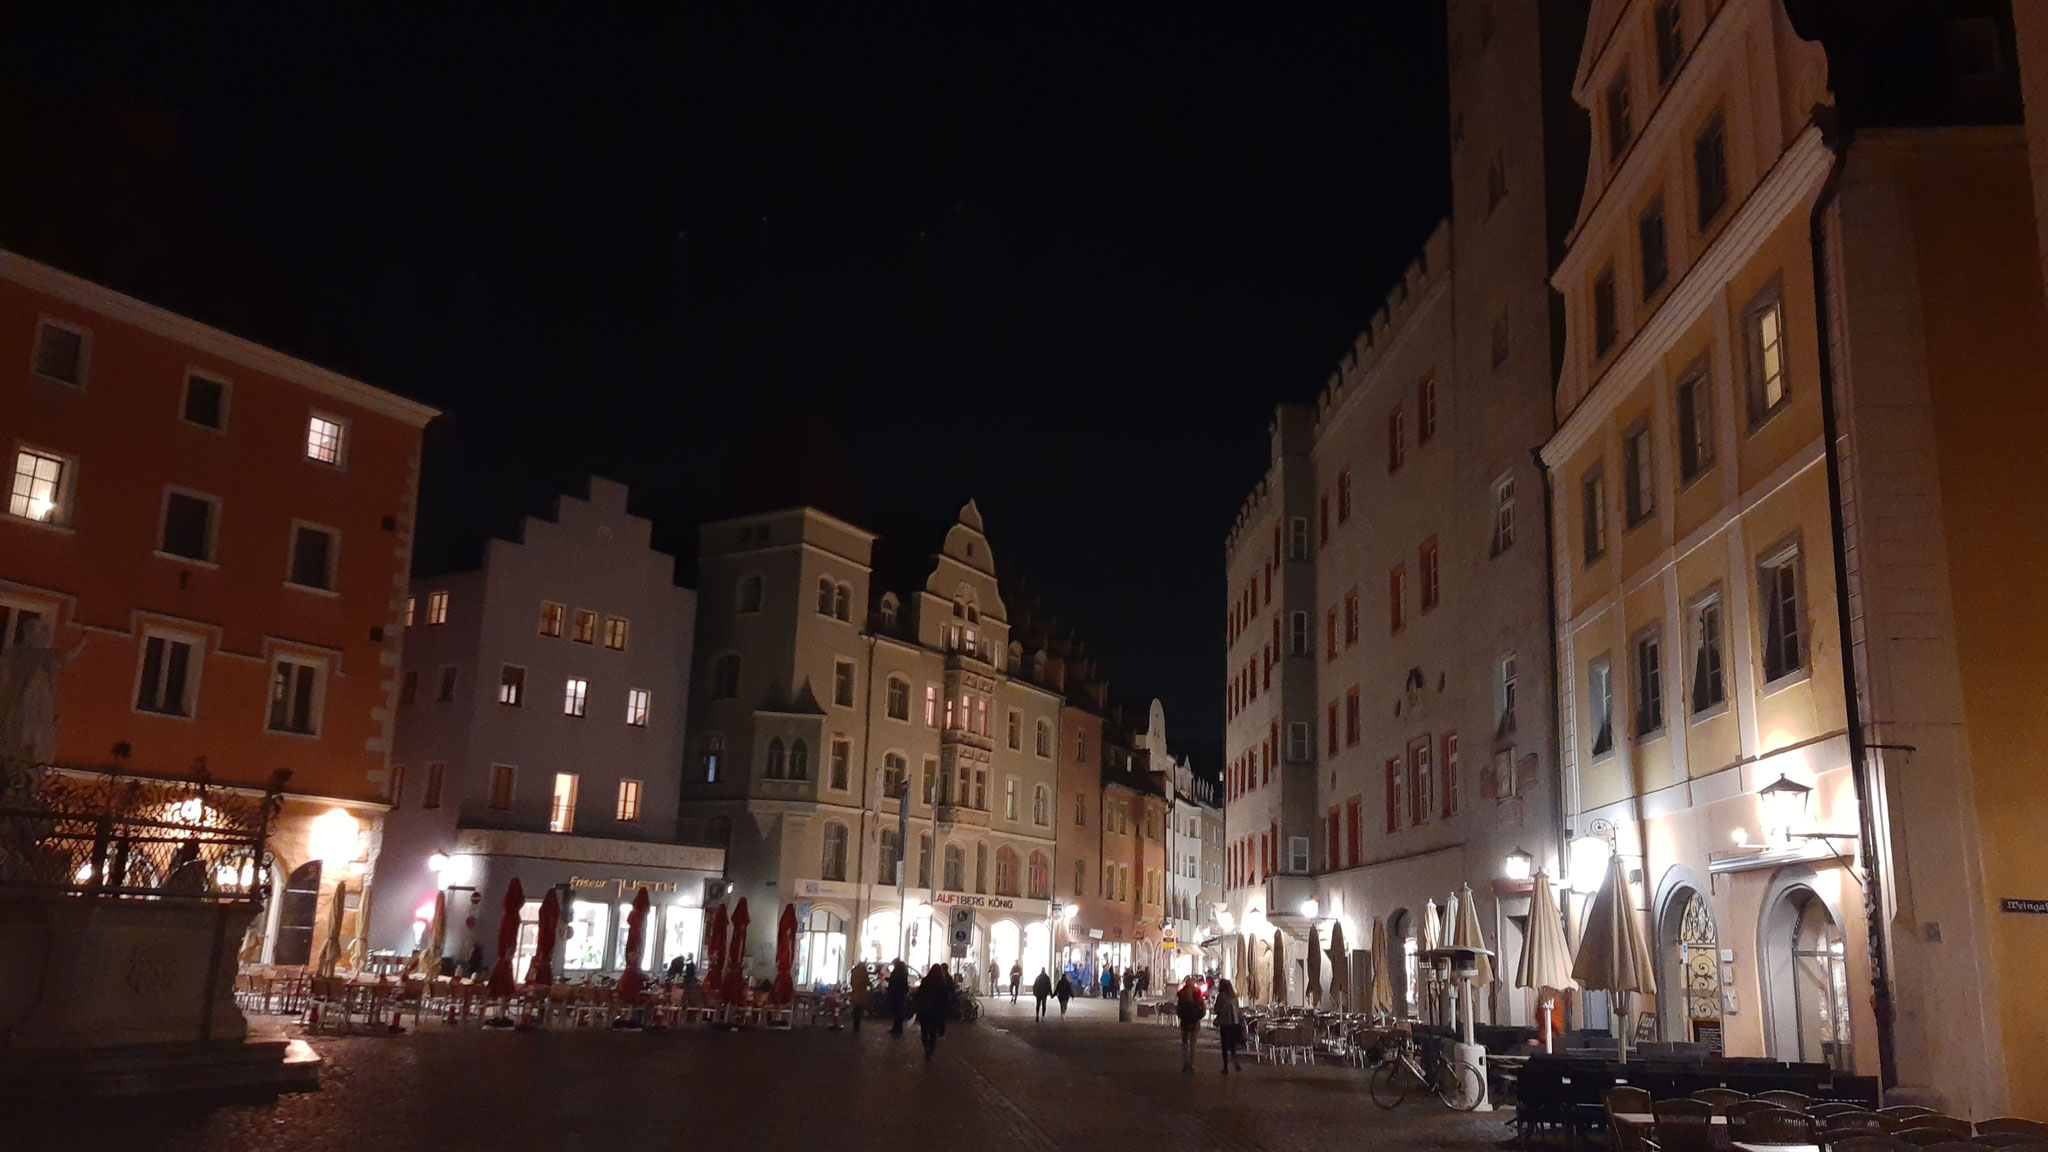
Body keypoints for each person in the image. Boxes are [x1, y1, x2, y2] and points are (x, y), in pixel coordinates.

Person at [913, 963, 954, 1061]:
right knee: (933, 1032)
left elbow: (920, 994)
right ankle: (930, 1050)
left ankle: (926, 1045)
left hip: (925, 1010)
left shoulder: (925, 981)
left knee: (924, 1030)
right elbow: (945, 998)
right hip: (936, 1011)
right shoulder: (942, 983)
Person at [1213, 978, 1244, 1073]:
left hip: (1225, 1023)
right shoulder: (1234, 997)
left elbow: (1216, 1009)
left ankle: (1225, 1067)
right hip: (1234, 1023)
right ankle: (1235, 1060)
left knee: (1225, 1045)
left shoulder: (1221, 996)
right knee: (1232, 1044)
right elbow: (1237, 1009)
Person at [1175, 976, 1205, 1073]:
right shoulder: (1197, 994)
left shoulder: (1181, 995)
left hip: (1184, 1023)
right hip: (1194, 1023)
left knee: (1184, 1044)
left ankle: (1185, 1064)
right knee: (1192, 1044)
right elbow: (1203, 1010)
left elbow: (1178, 1010)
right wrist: (1198, 1017)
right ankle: (1191, 1064)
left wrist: (1182, 1017)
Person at [886, 959, 911, 1036]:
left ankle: (897, 1029)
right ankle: (897, 1029)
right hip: (900, 995)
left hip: (896, 994)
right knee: (898, 1012)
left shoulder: (898, 971)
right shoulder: (902, 971)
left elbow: (895, 982)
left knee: (897, 1012)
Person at [848, 961, 871, 1031]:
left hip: (855, 993)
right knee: (859, 1011)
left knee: (855, 1010)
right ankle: (857, 1026)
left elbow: (851, 982)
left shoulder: (854, 971)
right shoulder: (864, 973)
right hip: (861, 994)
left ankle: (855, 1025)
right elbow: (867, 982)